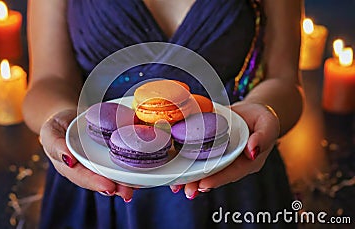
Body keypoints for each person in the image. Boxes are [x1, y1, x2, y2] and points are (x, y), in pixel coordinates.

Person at [23, 0, 303, 228]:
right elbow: (47, 81)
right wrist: (59, 117)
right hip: (97, 170)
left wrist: (264, 110)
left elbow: (285, 80)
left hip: (231, 169)